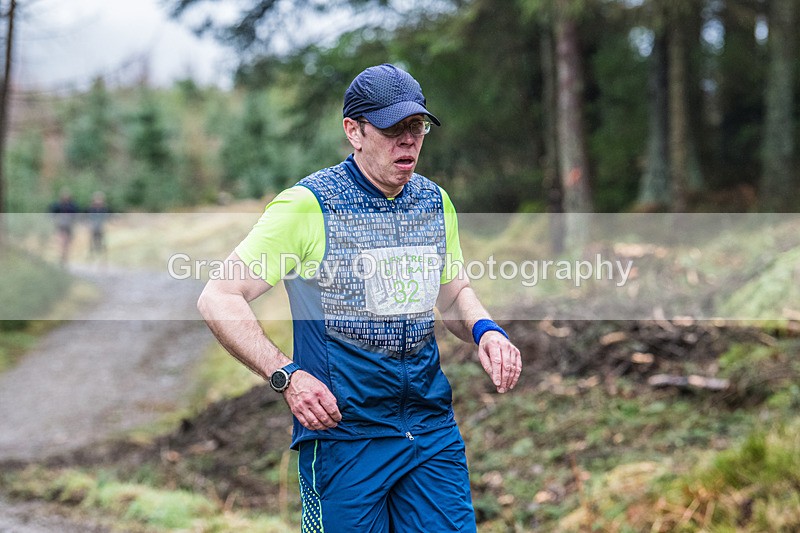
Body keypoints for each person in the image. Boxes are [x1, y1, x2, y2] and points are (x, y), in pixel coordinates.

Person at [197, 63, 522, 532]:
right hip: (343, 438)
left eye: (417, 127)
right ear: (354, 131)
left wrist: (485, 330)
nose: (408, 141)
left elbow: (452, 297)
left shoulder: (434, 202)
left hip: (429, 433)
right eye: (392, 129)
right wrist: (286, 375)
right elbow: (219, 296)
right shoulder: (309, 205)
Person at [49, 187, 79, 266]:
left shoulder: (72, 206)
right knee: (61, 242)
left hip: (69, 226)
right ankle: (61, 257)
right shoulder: (57, 205)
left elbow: (76, 216)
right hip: (60, 226)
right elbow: (51, 214)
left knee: (67, 243)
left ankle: (64, 257)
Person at [87, 191, 110, 259]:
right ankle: (92, 256)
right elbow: (88, 218)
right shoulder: (91, 208)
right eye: (97, 199)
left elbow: (106, 218)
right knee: (92, 242)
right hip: (93, 227)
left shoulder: (104, 209)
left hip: (101, 227)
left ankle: (103, 257)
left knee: (102, 242)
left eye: (99, 199)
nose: (98, 201)